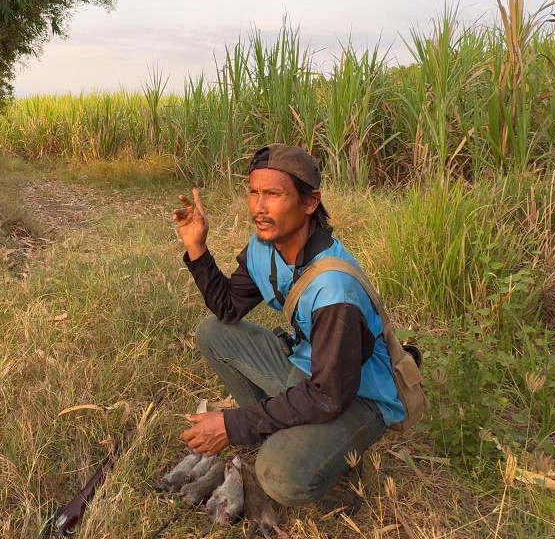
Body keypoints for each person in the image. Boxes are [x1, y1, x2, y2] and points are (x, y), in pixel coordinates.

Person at [171, 143, 403, 507]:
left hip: (356, 395)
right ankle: (275, 429)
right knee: (213, 332)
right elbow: (228, 308)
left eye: (274, 195)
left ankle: (338, 474)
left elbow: (329, 395)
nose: (258, 208)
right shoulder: (266, 247)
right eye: (253, 192)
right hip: (309, 369)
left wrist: (232, 424)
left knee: (279, 475)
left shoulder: (334, 290)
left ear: (310, 202)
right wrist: (197, 248)